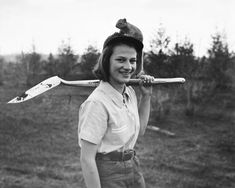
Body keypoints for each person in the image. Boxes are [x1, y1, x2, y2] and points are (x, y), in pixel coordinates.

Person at [78, 19, 154, 188]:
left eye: (132, 61)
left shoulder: (129, 92)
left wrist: (146, 96)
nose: (128, 67)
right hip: (107, 172)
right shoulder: (97, 103)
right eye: (121, 60)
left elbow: (139, 130)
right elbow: (87, 158)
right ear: (107, 61)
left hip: (133, 165)